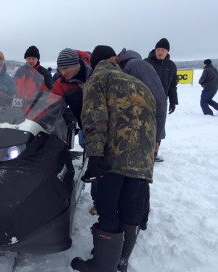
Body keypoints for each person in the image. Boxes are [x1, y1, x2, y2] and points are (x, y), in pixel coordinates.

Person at [71, 45, 156, 272]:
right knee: (129, 205)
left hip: (114, 156)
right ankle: (121, 260)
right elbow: (151, 121)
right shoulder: (138, 84)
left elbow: (95, 117)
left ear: (95, 62)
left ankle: (102, 265)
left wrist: (96, 154)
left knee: (108, 208)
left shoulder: (99, 79)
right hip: (141, 158)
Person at [118, 48, 167, 160]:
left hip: (143, 129)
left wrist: (157, 137)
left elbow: (159, 101)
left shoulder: (138, 65)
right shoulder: (129, 66)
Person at [144, 38, 178, 162]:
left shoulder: (171, 66)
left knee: (159, 127)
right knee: (145, 126)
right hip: (145, 100)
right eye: (158, 49)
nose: (159, 52)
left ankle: (154, 153)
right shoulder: (146, 62)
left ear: (167, 51)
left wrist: (173, 101)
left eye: (162, 50)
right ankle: (143, 151)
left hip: (162, 102)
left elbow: (173, 84)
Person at [52, 48, 93, 129]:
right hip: (86, 128)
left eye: (66, 68)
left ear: (76, 64)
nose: (63, 73)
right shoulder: (61, 83)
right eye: (60, 69)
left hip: (109, 126)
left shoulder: (96, 74)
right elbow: (51, 106)